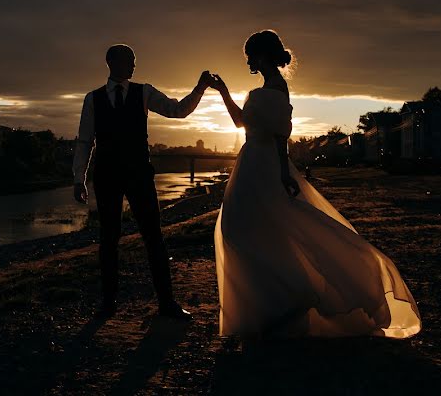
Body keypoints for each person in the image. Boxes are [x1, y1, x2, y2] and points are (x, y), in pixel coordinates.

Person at [208, 30, 422, 339]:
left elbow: (281, 137)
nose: (248, 61)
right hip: (248, 166)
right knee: (240, 232)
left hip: (264, 167)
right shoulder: (265, 90)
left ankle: (286, 304)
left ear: (264, 56)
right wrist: (223, 91)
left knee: (259, 233)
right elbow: (240, 123)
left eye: (250, 55)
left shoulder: (277, 90)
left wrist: (283, 173)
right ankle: (265, 307)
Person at [73, 44, 214, 319]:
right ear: (112, 62)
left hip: (139, 174)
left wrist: (199, 89)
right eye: (130, 61)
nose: (134, 66)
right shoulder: (92, 99)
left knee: (154, 239)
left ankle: (167, 304)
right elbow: (84, 140)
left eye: (135, 61)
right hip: (107, 176)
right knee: (108, 239)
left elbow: (177, 111)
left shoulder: (144, 92)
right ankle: (108, 304)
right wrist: (79, 179)